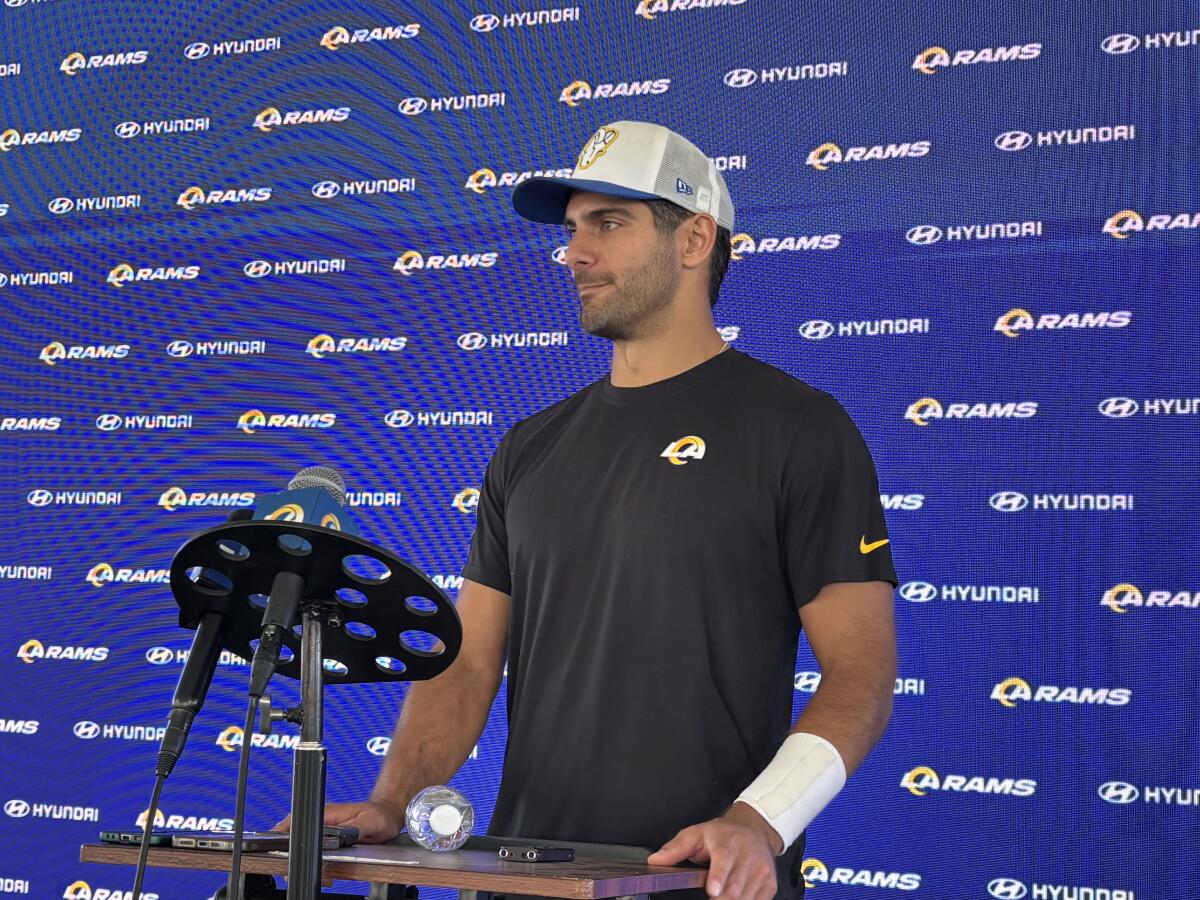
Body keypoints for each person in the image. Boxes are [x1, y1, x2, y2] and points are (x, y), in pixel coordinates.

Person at [281, 122, 899, 900]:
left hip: (696, 883)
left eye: (609, 224)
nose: (575, 254)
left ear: (694, 239)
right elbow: (468, 662)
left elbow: (862, 674)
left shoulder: (800, 429)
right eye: (574, 230)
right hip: (522, 877)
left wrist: (759, 821)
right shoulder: (530, 446)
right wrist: (390, 800)